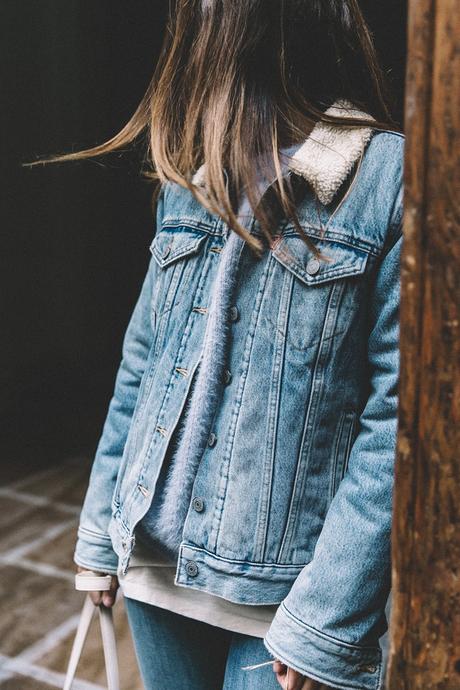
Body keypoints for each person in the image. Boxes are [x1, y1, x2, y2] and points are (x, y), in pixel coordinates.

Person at [40, 1, 404, 688]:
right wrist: (98, 533)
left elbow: (398, 425)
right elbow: (143, 363)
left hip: (286, 607)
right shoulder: (193, 173)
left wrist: (326, 618)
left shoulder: (388, 178)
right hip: (155, 574)